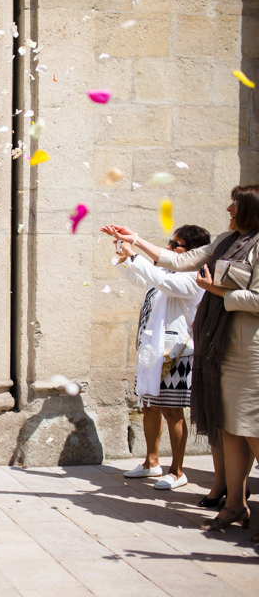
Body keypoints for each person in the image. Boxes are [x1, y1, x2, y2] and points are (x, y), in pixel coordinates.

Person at [102, 184, 259, 538]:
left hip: (249, 350)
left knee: (252, 427)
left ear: (251, 209)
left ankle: (187, 474)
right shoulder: (224, 241)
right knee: (230, 425)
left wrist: (220, 291)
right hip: (221, 346)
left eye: (235, 204)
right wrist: (136, 240)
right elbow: (179, 261)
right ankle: (235, 505)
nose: (228, 208)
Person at [110, 225, 210, 491]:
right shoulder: (165, 270)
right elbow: (142, 280)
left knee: (171, 410)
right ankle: (151, 461)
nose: (169, 248)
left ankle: (177, 471)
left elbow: (162, 282)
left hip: (175, 353)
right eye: (170, 242)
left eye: (175, 245)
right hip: (151, 350)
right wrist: (124, 257)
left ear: (192, 253)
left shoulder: (193, 277)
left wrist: (135, 256)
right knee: (148, 406)